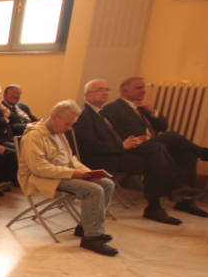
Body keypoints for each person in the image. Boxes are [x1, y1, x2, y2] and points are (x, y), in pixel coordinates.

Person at [100, 76, 208, 218]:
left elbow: (163, 127)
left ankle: (185, 202)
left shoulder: (142, 108)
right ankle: (203, 154)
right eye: (139, 88)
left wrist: (153, 113)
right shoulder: (113, 108)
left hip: (152, 146)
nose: (143, 91)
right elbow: (110, 133)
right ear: (125, 91)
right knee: (168, 139)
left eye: (144, 87)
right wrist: (133, 140)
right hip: (133, 149)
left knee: (187, 153)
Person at [76, 79, 188, 225]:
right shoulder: (84, 115)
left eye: (107, 89)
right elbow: (91, 146)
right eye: (99, 90)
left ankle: (160, 202)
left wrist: (129, 142)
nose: (105, 93)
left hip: (116, 154)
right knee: (156, 154)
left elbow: (111, 138)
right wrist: (122, 146)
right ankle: (168, 194)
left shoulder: (99, 113)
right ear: (86, 95)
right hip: (103, 161)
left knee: (156, 151)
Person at [18, 101, 118, 256]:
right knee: (93, 190)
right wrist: (72, 173)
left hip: (63, 173)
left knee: (107, 184)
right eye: (68, 124)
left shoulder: (59, 132)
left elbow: (71, 159)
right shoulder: (34, 136)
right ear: (55, 117)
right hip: (43, 178)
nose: (70, 128)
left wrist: (88, 173)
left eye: (72, 124)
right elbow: (39, 168)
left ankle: (86, 226)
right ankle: (91, 238)